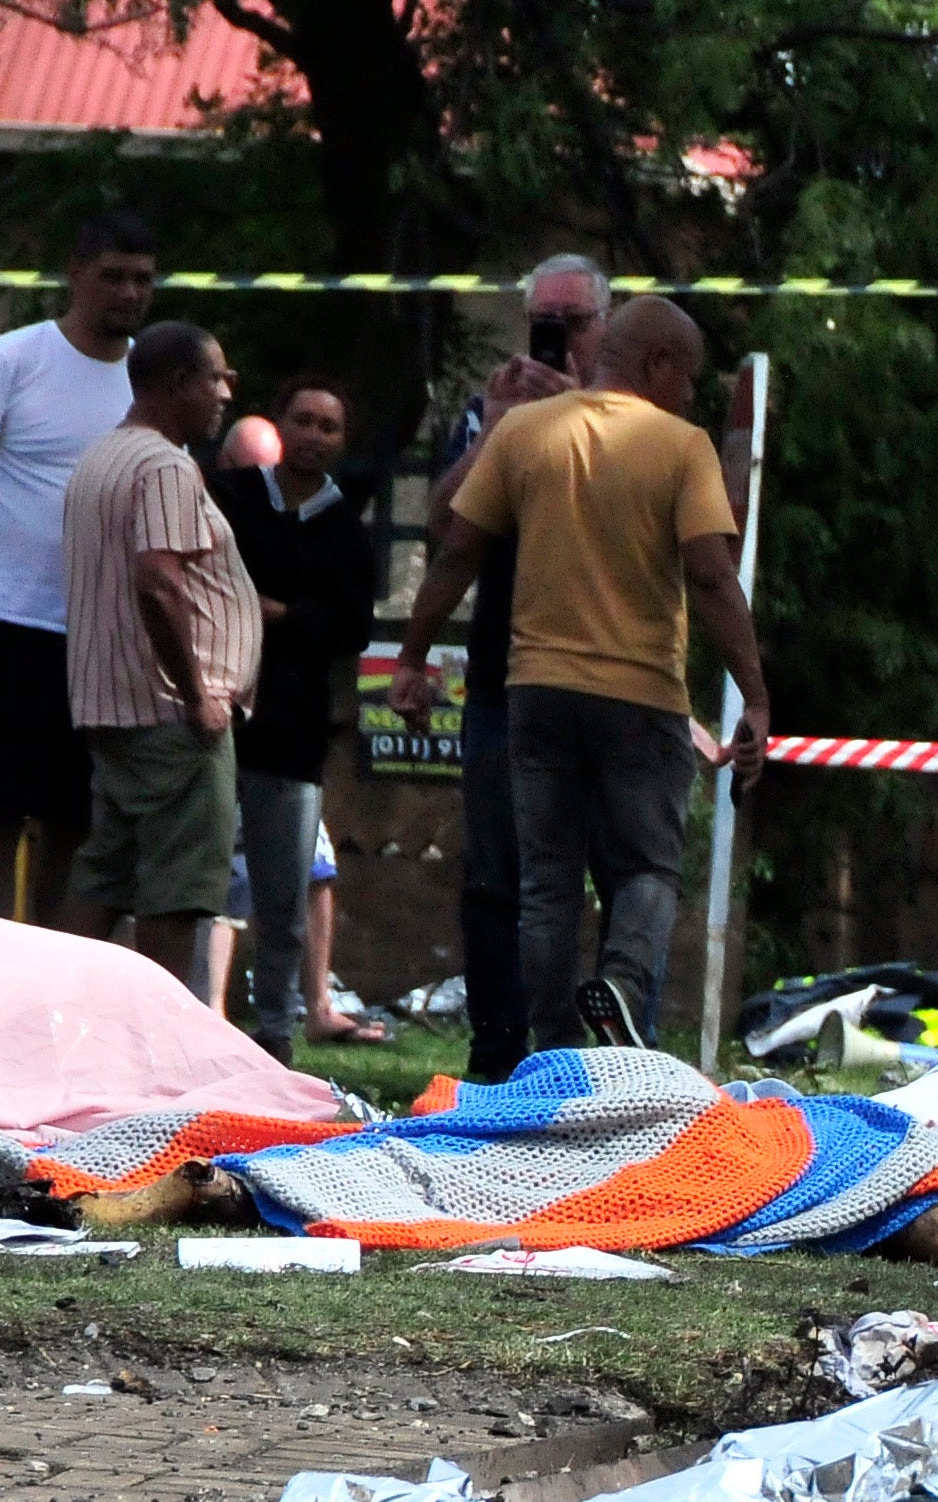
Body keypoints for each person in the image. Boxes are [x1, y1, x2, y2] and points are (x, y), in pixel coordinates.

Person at [387, 296, 764, 1052]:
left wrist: (411, 656)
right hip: (641, 697)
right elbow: (714, 579)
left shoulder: (525, 432)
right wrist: (754, 694)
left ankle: (551, 1052)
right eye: (685, 376)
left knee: (546, 884)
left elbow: (458, 548)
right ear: (658, 364)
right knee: (647, 869)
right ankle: (621, 989)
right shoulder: (681, 445)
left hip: (535, 695)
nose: (688, 393)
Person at [0, 211, 157, 919]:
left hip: (97, 628)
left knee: (74, 810)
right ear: (75, 275)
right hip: (3, 615)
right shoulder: (9, 361)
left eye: (142, 279)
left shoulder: (147, 381)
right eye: (112, 276)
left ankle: (47, 957)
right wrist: (1, 535)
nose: (127, 293)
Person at [431, 255, 610, 1080]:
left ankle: (604, 1057)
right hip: (506, 676)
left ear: (603, 328)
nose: (557, 337)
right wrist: (503, 426)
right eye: (544, 321)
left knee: (611, 874)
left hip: (609, 678)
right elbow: (444, 530)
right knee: (498, 876)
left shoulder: (630, 418)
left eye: (573, 323)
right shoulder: (489, 414)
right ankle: (500, 1053)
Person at [58, 321, 257, 992]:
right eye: (215, 378)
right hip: (172, 715)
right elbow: (157, 577)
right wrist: (199, 689)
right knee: (178, 892)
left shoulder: (100, 458)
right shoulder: (165, 465)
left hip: (111, 703)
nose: (227, 392)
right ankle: (158, 1053)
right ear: (177, 384)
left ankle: (53, 1021)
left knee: (104, 880)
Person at [218, 374, 385, 1059]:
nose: (315, 436)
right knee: (203, 885)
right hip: (215, 715)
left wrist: (281, 614)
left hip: (292, 730)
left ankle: (276, 1030)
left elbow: (348, 627)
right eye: (304, 420)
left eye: (330, 426)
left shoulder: (345, 532)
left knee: (285, 891)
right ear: (279, 424)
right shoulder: (230, 500)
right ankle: (196, 1019)